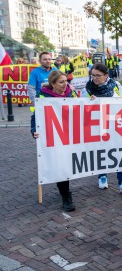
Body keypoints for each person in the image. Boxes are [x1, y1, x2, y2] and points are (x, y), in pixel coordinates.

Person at [31, 71, 77, 211]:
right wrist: (34, 130)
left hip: (71, 135)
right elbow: (35, 116)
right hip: (54, 135)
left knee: (69, 164)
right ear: (52, 84)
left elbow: (81, 110)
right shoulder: (42, 96)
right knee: (60, 165)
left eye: (66, 81)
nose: (65, 85)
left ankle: (64, 189)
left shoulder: (71, 93)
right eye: (61, 82)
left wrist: (91, 101)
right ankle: (66, 196)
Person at [85, 63, 122, 194]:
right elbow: (82, 107)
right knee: (101, 151)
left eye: (98, 76)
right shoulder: (88, 88)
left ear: (106, 75)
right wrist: (90, 102)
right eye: (93, 75)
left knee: (119, 151)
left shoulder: (116, 85)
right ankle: (102, 177)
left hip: (115, 125)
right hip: (98, 125)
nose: (94, 78)